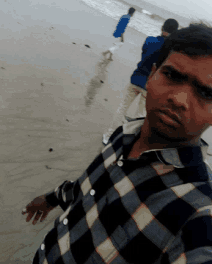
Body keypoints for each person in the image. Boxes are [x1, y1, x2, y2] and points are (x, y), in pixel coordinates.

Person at [22, 23, 212, 263]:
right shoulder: (123, 136)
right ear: (152, 75)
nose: (179, 99)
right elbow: (90, 187)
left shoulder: (198, 211)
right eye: (172, 75)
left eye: (206, 93)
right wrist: (51, 199)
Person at [102, 18, 179, 144]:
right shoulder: (170, 51)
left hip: (137, 78)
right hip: (150, 85)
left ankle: (108, 136)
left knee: (122, 108)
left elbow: (144, 56)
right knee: (140, 116)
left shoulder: (149, 40)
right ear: (174, 32)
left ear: (162, 27)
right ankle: (131, 142)